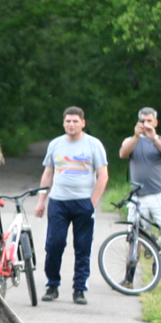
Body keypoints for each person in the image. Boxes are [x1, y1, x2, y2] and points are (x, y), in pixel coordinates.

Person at [34, 106, 109, 305]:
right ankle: (52, 285)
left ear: (83, 123)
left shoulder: (93, 145)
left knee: (83, 247)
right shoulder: (56, 144)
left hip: (84, 203)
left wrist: (92, 202)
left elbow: (103, 175)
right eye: (68, 121)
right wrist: (42, 200)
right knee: (54, 245)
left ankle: (79, 289)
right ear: (63, 123)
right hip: (58, 202)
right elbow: (48, 173)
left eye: (75, 121)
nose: (71, 124)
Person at [119, 107, 161, 291]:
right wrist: (136, 137)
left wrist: (153, 137)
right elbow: (123, 153)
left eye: (149, 121)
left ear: (155, 122)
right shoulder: (131, 141)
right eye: (142, 120)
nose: (145, 124)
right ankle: (129, 277)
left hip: (159, 193)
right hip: (138, 195)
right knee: (134, 236)